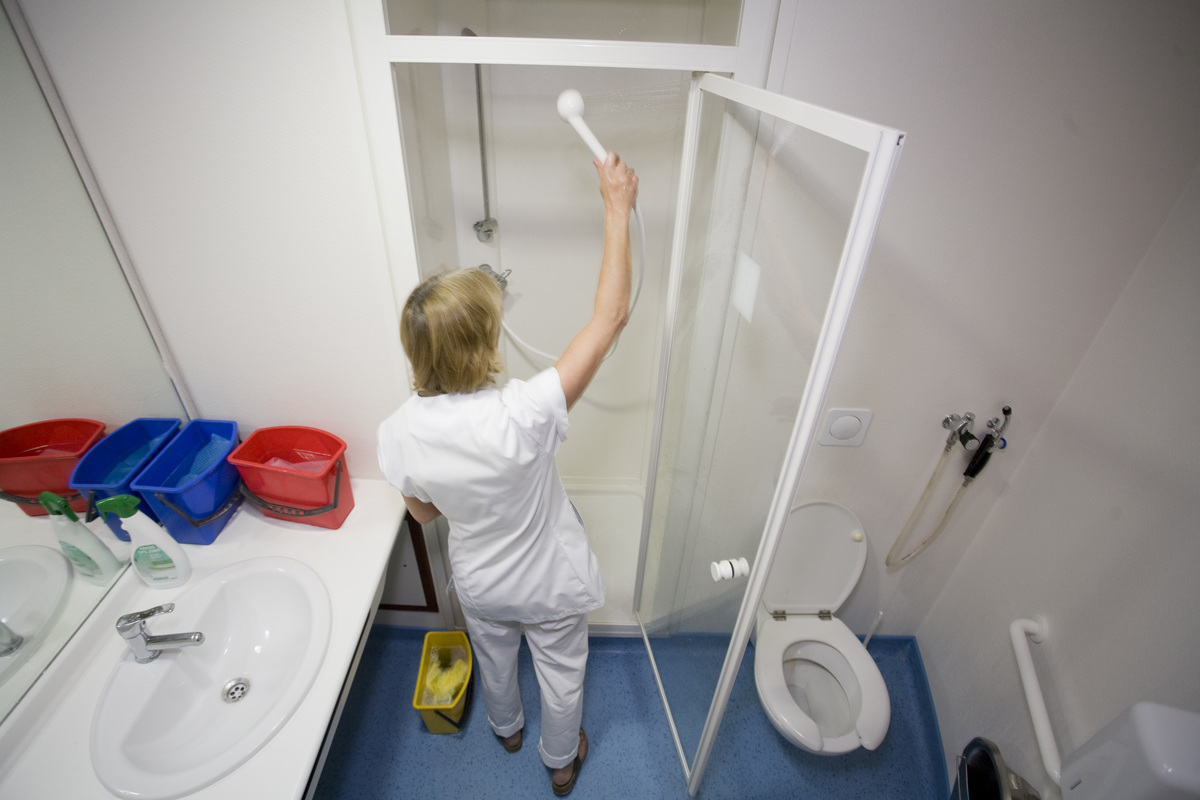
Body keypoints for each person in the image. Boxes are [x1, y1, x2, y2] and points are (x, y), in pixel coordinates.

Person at [377, 152, 638, 796]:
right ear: (485, 346)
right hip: (547, 581)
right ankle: (558, 760)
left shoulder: (398, 432)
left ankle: (507, 728)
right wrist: (616, 207)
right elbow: (608, 323)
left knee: (495, 658)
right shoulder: (525, 410)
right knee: (562, 671)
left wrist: (465, 491)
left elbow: (422, 514)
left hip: (482, 581)